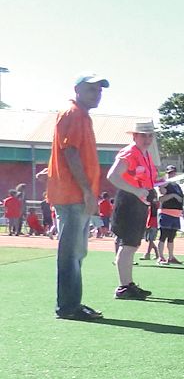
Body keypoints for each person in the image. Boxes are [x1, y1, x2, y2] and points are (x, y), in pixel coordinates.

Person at [47, 74, 108, 320]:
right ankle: (68, 307)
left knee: (77, 252)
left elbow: (68, 153)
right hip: (72, 196)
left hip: (77, 196)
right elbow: (70, 152)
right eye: (91, 89)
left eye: (99, 90)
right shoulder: (73, 114)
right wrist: (85, 189)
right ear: (77, 90)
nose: (97, 94)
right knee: (71, 253)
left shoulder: (82, 117)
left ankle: (72, 303)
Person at [107, 121, 157, 300]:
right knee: (128, 245)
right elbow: (112, 176)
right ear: (134, 136)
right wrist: (136, 191)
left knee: (132, 245)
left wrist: (151, 191)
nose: (147, 139)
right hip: (129, 201)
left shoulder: (144, 154)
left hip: (139, 201)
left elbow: (143, 179)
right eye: (143, 135)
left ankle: (128, 284)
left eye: (150, 135)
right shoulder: (129, 153)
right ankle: (123, 286)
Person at [156, 165, 184, 265]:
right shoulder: (164, 184)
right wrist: (173, 195)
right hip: (166, 214)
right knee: (163, 236)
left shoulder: (177, 186)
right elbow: (161, 198)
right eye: (169, 173)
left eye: (173, 172)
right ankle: (160, 257)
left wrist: (183, 213)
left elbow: (180, 201)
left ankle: (171, 257)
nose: (171, 174)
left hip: (176, 215)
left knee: (171, 237)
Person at [142, 189, 159, 261]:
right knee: (149, 240)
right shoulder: (149, 204)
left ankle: (147, 254)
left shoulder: (155, 203)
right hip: (149, 223)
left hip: (154, 223)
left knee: (151, 239)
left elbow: (154, 214)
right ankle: (157, 253)